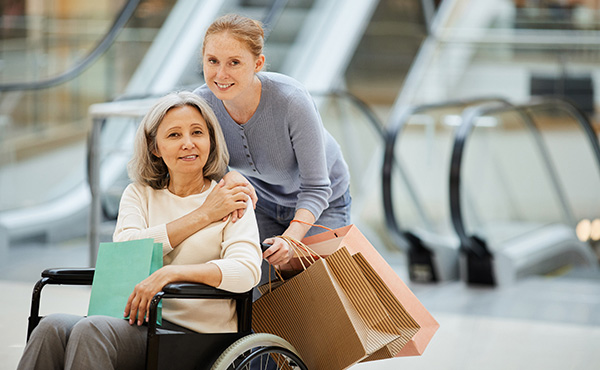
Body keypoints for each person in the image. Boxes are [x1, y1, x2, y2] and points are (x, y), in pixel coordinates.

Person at [17, 92, 262, 370]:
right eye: (173, 135)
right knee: (52, 327)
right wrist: (204, 214)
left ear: (211, 141)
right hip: (138, 323)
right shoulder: (139, 194)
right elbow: (126, 248)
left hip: (195, 335)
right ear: (154, 147)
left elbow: (245, 271)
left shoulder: (231, 198)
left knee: (92, 330)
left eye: (197, 132)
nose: (188, 143)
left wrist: (171, 273)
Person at [195, 13, 352, 268]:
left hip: (324, 202)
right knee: (263, 291)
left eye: (234, 62)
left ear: (258, 64)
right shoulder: (201, 105)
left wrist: (291, 239)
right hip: (262, 203)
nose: (220, 74)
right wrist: (225, 175)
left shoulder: (292, 100)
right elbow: (202, 162)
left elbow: (316, 187)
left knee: (317, 291)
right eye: (212, 61)